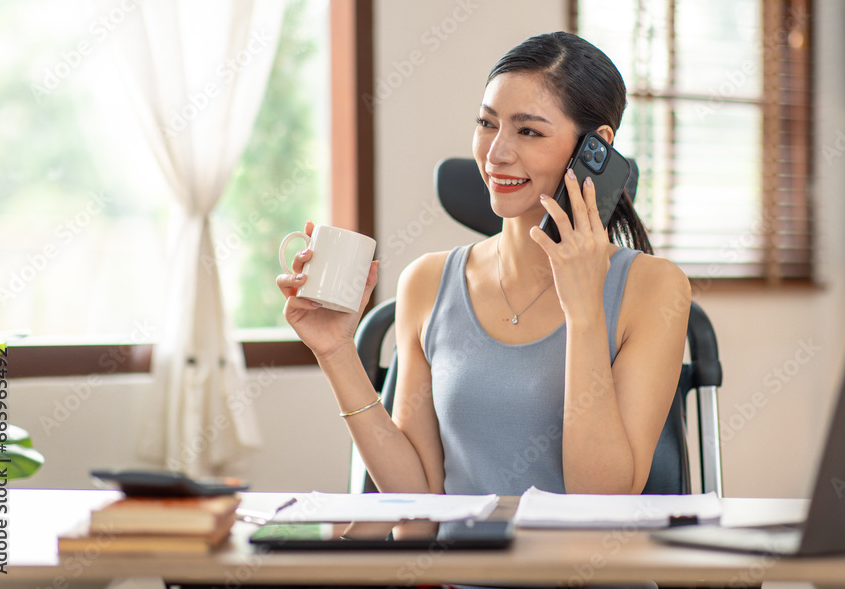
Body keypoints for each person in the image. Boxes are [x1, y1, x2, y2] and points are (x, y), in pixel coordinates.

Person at [277, 31, 691, 496]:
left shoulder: (655, 288)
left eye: (529, 130)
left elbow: (600, 504)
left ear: (594, 148)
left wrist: (585, 313)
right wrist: (335, 351)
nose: (496, 154)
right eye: (486, 123)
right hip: (462, 570)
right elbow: (417, 512)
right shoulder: (428, 282)